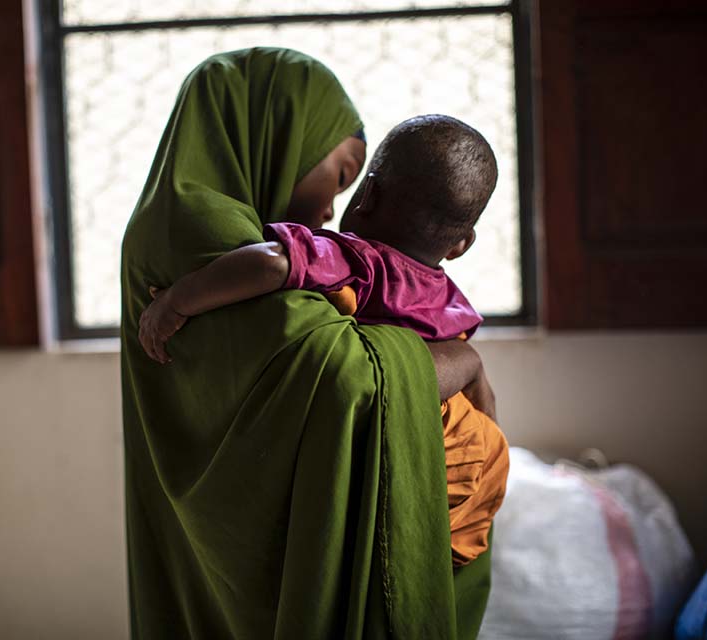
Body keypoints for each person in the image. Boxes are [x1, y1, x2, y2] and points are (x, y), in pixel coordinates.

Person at [120, 47, 495, 639]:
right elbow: (351, 380)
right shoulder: (205, 230)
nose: (331, 208)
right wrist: (467, 362)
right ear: (279, 134)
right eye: (340, 174)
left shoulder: (336, 255)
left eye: (353, 184)